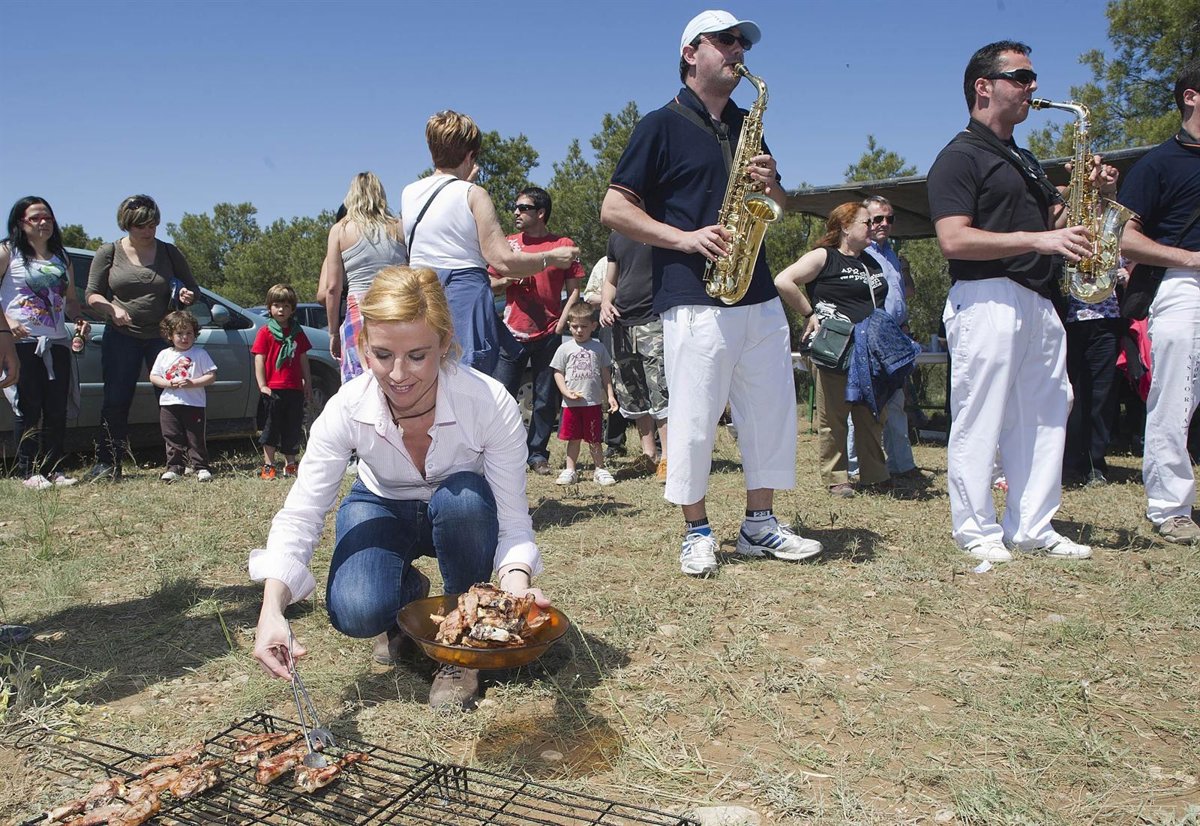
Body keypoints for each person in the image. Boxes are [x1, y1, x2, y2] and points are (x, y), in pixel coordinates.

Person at [250, 266, 548, 711]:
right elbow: (303, 511)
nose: (398, 374)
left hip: (462, 513)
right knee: (356, 610)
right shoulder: (346, 408)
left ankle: (462, 646)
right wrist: (271, 608)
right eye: (383, 354)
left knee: (464, 497)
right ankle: (407, 599)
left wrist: (517, 587)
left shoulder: (488, 403)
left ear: (444, 344)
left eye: (418, 355)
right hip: (382, 504)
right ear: (363, 347)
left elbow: (512, 520)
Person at [601, 9, 822, 576]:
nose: (737, 50)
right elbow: (614, 208)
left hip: (757, 291)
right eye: (725, 40)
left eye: (742, 42)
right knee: (695, 418)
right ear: (690, 53)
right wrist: (685, 237)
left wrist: (774, 189)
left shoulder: (749, 124)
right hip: (693, 294)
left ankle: (759, 525)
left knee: (770, 413)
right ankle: (696, 531)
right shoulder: (659, 124)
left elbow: (777, 208)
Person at [926, 41, 1117, 562]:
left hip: (1038, 298)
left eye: (1032, 78)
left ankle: (1032, 526)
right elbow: (953, 239)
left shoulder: (1023, 158)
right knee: (980, 417)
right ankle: (976, 531)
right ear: (983, 87)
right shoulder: (959, 156)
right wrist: (1039, 240)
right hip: (986, 295)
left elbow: (1054, 224)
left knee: (1047, 413)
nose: (1033, 87)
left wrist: (1088, 194)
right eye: (1021, 77)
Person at [401, 111, 579, 377]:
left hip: (420, 291)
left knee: (426, 372)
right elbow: (503, 261)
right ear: (470, 155)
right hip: (465, 294)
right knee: (468, 376)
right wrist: (551, 257)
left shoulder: (409, 193)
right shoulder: (474, 194)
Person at [1119, 59, 1200, 544]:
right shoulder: (1157, 163)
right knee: (1176, 397)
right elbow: (1124, 238)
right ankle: (1171, 507)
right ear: (1190, 96)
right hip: (1183, 286)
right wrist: (1190, 258)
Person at [775, 203, 890, 497]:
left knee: (871, 413)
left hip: (869, 350)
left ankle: (875, 475)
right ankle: (837, 477)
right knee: (834, 416)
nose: (874, 227)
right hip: (836, 349)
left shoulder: (871, 262)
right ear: (845, 227)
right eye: (867, 222)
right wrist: (808, 313)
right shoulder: (825, 257)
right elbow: (783, 281)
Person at [84, 195, 200, 482]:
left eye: (152, 225)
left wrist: (186, 295)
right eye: (141, 226)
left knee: (173, 398)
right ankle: (108, 462)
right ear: (127, 225)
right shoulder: (109, 252)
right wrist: (112, 309)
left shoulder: (169, 252)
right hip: (121, 337)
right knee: (116, 399)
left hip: (162, 338)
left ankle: (181, 461)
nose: (148, 231)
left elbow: (192, 289)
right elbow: (92, 295)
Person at [489, 187, 585, 475]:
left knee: (544, 398)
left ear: (541, 213)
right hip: (511, 333)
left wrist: (562, 322)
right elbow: (490, 285)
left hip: (549, 333)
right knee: (502, 397)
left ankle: (537, 455)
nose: (516, 212)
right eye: (515, 207)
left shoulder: (563, 246)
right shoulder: (508, 245)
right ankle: (503, 453)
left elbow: (575, 290)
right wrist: (509, 279)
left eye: (523, 208)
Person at [1, 196, 89, 488]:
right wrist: (8, 321)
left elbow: (71, 300)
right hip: (23, 343)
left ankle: (54, 468)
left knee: (55, 408)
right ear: (20, 222)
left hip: (57, 341)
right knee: (29, 406)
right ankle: (28, 471)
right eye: (35, 218)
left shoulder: (61, 257)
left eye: (47, 217)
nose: (43, 223)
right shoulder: (8, 252)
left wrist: (79, 318)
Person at [846, 195, 920, 481]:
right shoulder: (858, 252)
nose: (884, 224)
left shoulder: (890, 254)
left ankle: (902, 464)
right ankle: (854, 468)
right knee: (862, 402)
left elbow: (905, 294)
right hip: (869, 335)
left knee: (896, 402)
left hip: (896, 336)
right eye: (877, 219)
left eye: (890, 218)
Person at [323, 174, 406, 384]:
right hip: (396, 308)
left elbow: (332, 288)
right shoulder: (400, 227)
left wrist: (333, 333)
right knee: (397, 375)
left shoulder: (340, 230)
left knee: (357, 382)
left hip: (358, 313)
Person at [600, 230, 669, 480]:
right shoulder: (616, 236)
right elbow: (611, 281)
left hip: (654, 319)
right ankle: (649, 456)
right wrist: (605, 303)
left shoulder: (659, 226)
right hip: (622, 324)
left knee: (660, 389)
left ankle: (669, 458)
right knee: (633, 392)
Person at [550, 303, 618, 486]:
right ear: (569, 325)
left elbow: (605, 374)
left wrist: (610, 396)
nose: (579, 330)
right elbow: (558, 372)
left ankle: (600, 469)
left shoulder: (599, 348)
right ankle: (570, 470)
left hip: (592, 403)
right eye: (574, 326)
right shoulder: (564, 349)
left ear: (593, 326)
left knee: (594, 439)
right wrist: (565, 392)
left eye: (584, 326)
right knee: (573, 438)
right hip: (571, 404)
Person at [252, 284, 313, 480]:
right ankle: (269, 465)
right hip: (273, 389)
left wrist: (307, 382)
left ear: (292, 309)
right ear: (269, 307)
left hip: (294, 388)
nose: (281, 310)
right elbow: (259, 359)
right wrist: (262, 385)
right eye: (277, 305)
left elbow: (303, 358)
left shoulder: (297, 332)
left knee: (292, 427)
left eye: (286, 306)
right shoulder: (265, 332)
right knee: (271, 427)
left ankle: (291, 464)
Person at [148, 311, 217, 482]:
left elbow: (211, 376)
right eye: (179, 333)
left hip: (194, 404)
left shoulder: (200, 354)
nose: (185, 337)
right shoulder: (164, 354)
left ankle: (201, 467)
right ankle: (174, 468)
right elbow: (154, 377)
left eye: (189, 333)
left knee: (195, 437)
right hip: (169, 403)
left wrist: (193, 383)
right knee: (172, 436)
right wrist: (168, 383)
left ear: (195, 334)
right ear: (169, 335)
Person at [582, 254, 628, 458]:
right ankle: (615, 443)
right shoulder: (605, 262)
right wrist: (611, 299)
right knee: (613, 380)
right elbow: (589, 296)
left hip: (642, 321)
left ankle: (658, 444)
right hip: (610, 325)